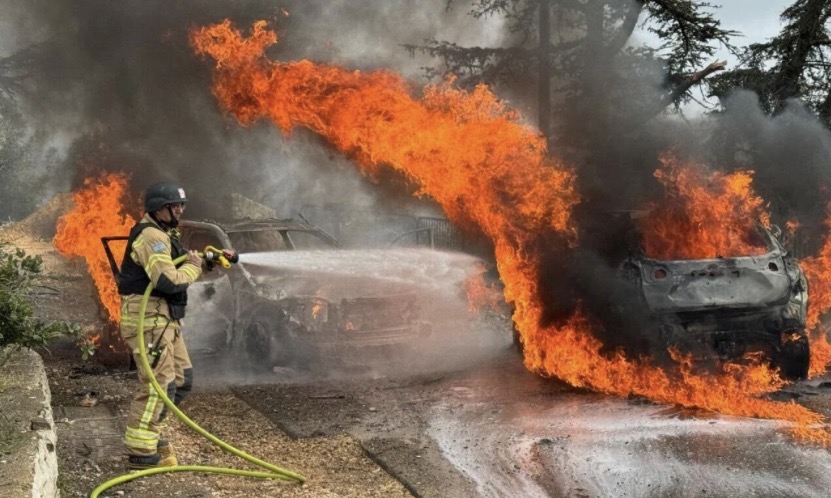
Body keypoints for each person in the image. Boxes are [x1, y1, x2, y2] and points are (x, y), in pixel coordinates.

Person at [117, 180, 234, 470]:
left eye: (182, 204)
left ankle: (151, 432)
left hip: (164, 320)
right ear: (160, 208)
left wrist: (208, 262)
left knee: (181, 380)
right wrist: (194, 266)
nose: (180, 209)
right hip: (148, 322)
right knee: (158, 386)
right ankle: (141, 451)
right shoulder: (152, 237)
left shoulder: (165, 234)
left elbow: (179, 267)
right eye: (175, 205)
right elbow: (168, 280)